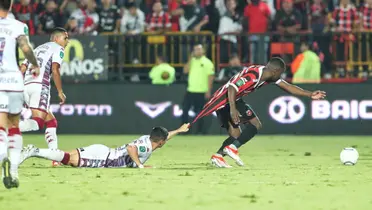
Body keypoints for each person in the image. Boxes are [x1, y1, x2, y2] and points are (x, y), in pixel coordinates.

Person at [191, 57, 326, 168]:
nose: (281, 76)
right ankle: (231, 148)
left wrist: (309, 94)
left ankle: (219, 156)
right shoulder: (254, 75)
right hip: (226, 100)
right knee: (254, 124)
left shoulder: (266, 74)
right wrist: (233, 109)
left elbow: (288, 87)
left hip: (235, 100)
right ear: (275, 71)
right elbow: (232, 87)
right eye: (280, 73)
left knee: (237, 133)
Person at [20, 124, 190, 168]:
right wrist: (140, 165)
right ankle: (33, 151)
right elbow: (131, 149)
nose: (164, 143)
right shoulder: (146, 147)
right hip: (104, 159)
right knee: (69, 160)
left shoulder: (148, 139)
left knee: (66, 156)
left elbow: (164, 138)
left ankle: (36, 151)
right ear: (159, 142)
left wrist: (179, 131)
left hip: (103, 151)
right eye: (163, 142)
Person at [0, 0, 40, 189]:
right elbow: (25, 49)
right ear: (11, 5)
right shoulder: (18, 26)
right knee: (14, 125)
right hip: (14, 80)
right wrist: (35, 64)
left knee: (1, 126)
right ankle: (14, 171)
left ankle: (1, 156)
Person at [19, 27, 69, 167]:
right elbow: (55, 69)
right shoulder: (58, 48)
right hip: (40, 86)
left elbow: (22, 68)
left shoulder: (37, 49)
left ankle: (54, 157)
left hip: (26, 86)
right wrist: (60, 91)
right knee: (38, 123)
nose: (67, 41)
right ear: (56, 39)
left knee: (51, 121)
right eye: (65, 38)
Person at [182, 44, 214, 134]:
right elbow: (185, 70)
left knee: (200, 113)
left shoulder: (207, 62)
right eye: (196, 49)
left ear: (203, 51)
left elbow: (210, 77)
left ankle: (199, 131)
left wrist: (208, 90)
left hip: (201, 91)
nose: (197, 51)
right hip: (191, 90)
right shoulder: (191, 61)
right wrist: (189, 59)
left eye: (199, 49)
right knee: (185, 110)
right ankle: (184, 130)